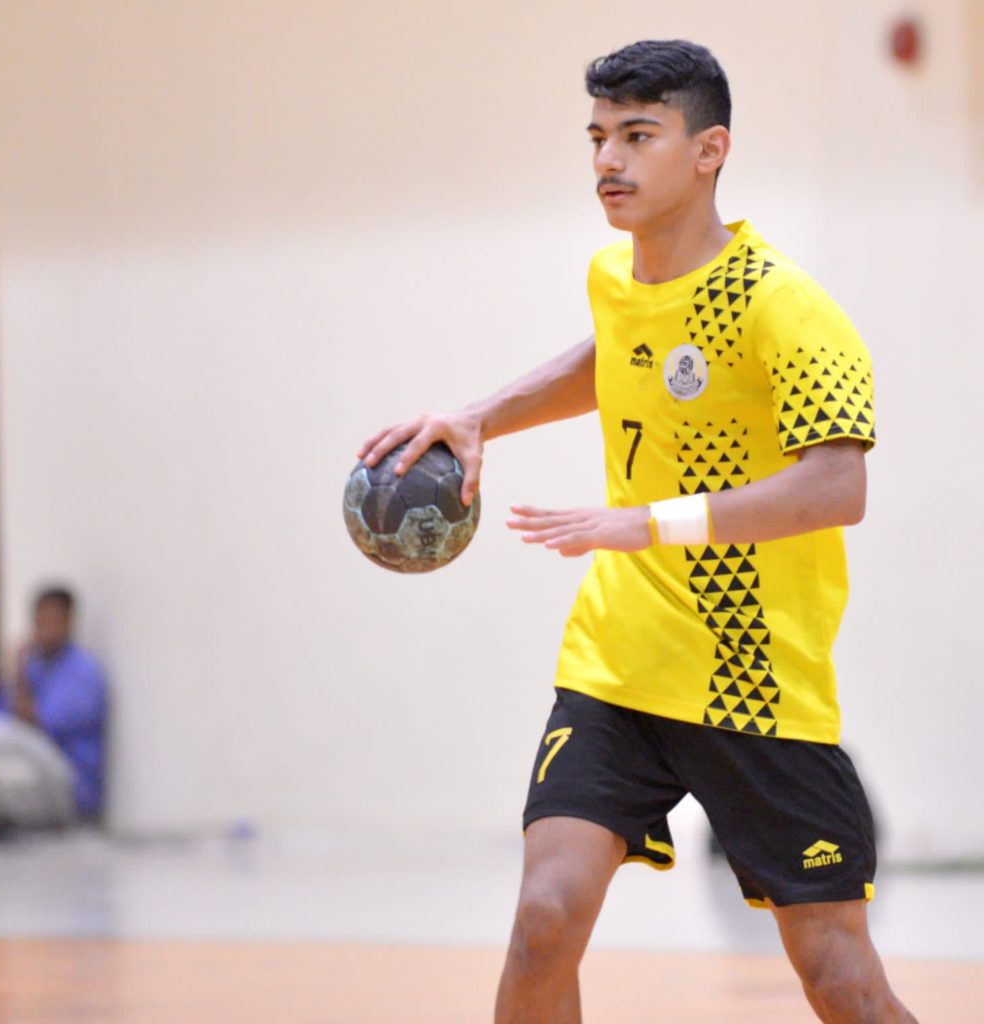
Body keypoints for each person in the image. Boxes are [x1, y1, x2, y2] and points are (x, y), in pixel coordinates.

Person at [358, 39, 918, 1024]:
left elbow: (837, 486)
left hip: (755, 684)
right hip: (617, 666)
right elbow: (617, 353)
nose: (607, 160)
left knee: (841, 981)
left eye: (637, 136)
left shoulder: (784, 304)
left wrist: (646, 523)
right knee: (543, 921)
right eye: (597, 137)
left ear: (709, 150)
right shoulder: (613, 278)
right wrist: (480, 416)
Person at [0, 585, 106, 834]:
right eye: (41, 621)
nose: (46, 629)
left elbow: (35, 724)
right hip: (30, 769)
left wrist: (18, 671)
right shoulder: (35, 666)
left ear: (69, 622)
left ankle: (47, 824)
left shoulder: (83, 672)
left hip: (70, 783)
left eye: (53, 621)